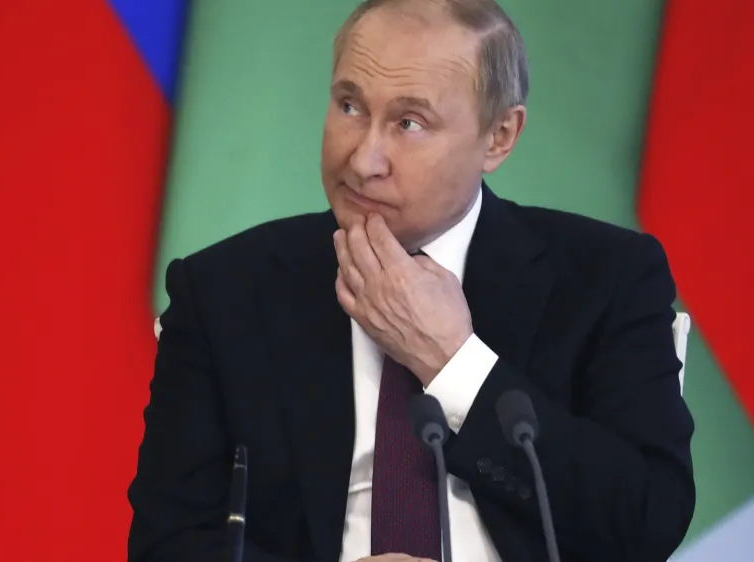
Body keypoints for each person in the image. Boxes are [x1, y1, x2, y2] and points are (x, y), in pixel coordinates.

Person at [126, 0, 696, 560]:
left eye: (409, 122)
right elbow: (166, 541)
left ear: (498, 137)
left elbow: (646, 520)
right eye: (349, 106)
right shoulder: (227, 290)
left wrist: (454, 362)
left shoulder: (605, 276)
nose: (363, 159)